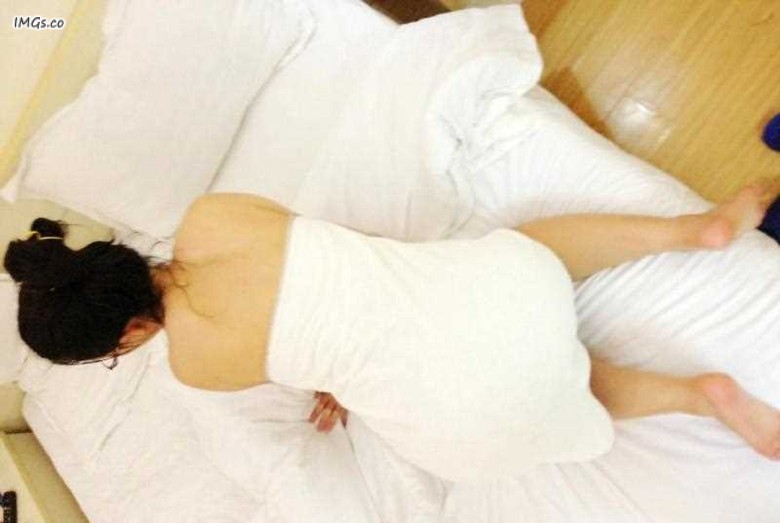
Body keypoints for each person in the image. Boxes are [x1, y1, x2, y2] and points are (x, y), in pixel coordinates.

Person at [4, 180, 780, 478]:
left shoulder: (197, 367)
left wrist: (334, 376)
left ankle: (699, 396)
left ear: (124, 337)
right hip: (505, 296)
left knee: (544, 387)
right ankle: (693, 231)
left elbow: (305, 340)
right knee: (527, 252)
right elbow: (328, 268)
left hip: (477, 424)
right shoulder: (213, 215)